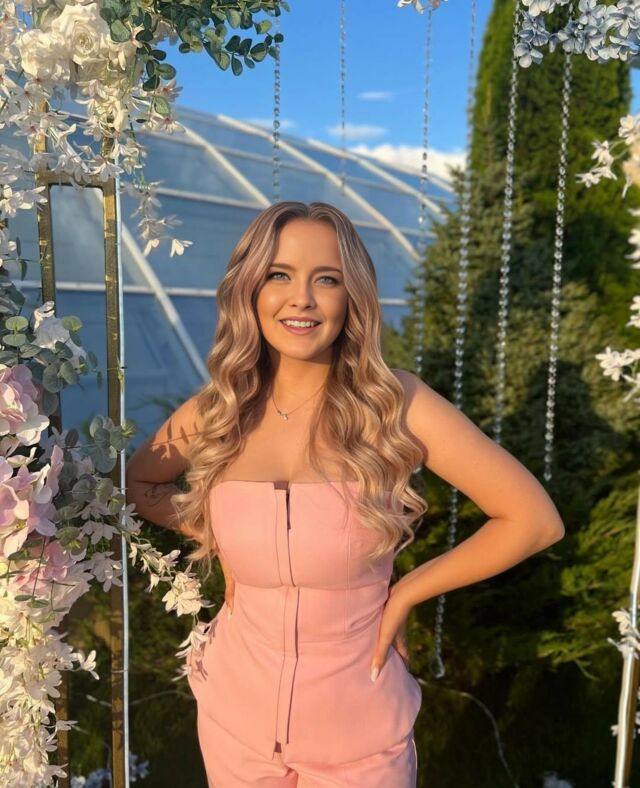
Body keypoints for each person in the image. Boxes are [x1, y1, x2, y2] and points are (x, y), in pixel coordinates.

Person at [125, 201, 565, 787]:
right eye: (279, 275)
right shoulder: (219, 410)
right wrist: (218, 534)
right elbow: (137, 484)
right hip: (232, 721)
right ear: (250, 290)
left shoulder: (394, 404)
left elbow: (533, 519)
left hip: (361, 736)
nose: (301, 299)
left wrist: (407, 592)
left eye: (326, 279)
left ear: (351, 296)